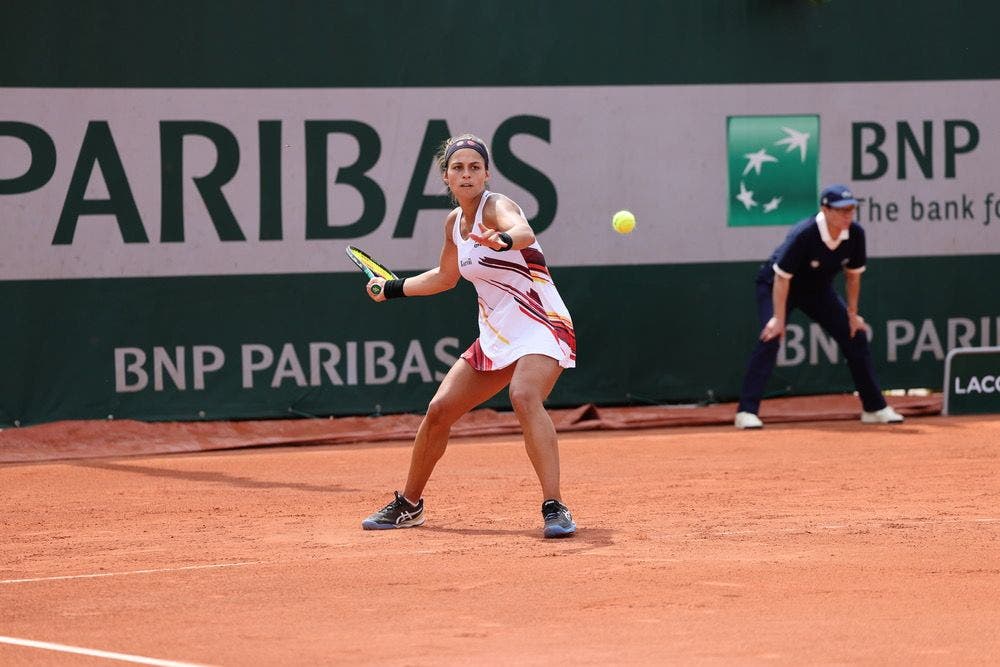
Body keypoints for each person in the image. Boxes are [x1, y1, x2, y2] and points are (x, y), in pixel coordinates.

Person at [360, 134, 578, 538]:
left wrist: (504, 238)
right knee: (440, 409)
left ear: (486, 174)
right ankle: (409, 504)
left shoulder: (497, 206)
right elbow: (445, 278)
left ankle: (555, 506)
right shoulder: (453, 225)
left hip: (540, 321)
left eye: (474, 167)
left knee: (524, 395)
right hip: (497, 331)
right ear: (446, 177)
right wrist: (392, 288)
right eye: (458, 168)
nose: (466, 174)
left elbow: (524, 231)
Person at [734, 184, 904, 429]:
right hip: (777, 285)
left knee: (854, 335)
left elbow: (853, 276)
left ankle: (874, 408)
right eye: (841, 210)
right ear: (825, 209)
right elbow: (782, 278)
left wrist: (852, 314)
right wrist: (778, 319)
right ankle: (746, 412)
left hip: (818, 290)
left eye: (851, 209)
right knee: (771, 336)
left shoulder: (855, 234)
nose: (848, 215)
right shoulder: (804, 234)